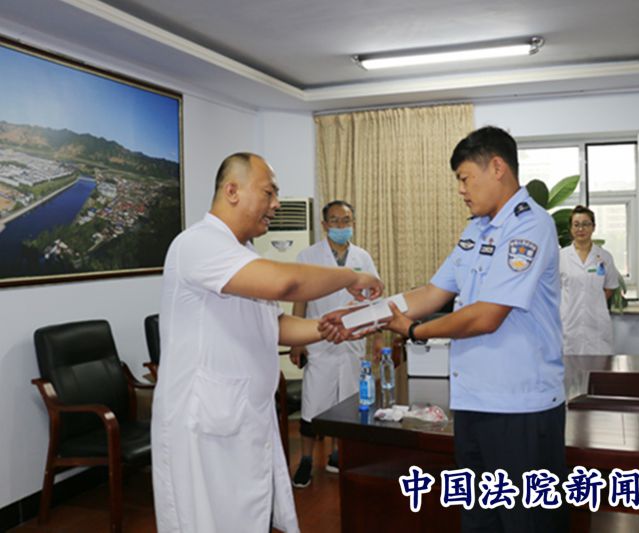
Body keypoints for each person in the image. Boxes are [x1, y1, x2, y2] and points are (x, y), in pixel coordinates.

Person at [341, 126, 567, 532]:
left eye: (465, 178)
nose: (461, 190)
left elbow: (487, 316)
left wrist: (415, 332)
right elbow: (432, 292)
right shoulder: (476, 228)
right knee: (479, 522)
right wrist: (363, 317)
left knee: (526, 523)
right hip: (474, 402)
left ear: (497, 167)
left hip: (519, 407)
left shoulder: (530, 225)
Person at [151, 152, 383, 533]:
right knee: (207, 523)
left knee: (247, 520)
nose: (276, 204)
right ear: (232, 191)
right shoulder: (197, 244)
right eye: (269, 192)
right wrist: (350, 276)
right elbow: (285, 284)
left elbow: (274, 325)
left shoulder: (243, 253)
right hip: (203, 425)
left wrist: (333, 326)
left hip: (244, 416)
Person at [289, 200, 379, 488]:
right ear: (324, 224)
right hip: (319, 340)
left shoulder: (362, 257)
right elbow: (300, 299)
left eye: (346, 220)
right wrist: (297, 341)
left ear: (353, 223)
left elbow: (374, 300)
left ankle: (337, 455)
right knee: (312, 407)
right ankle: (306, 461)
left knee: (347, 405)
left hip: (352, 342)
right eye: (335, 221)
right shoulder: (308, 256)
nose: (342, 226)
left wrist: (377, 339)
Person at [560, 205, 620, 355]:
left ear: (593, 227)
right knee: (569, 367)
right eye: (576, 225)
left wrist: (593, 301)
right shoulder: (560, 257)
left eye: (586, 224)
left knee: (599, 367)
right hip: (569, 324)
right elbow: (554, 290)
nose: (581, 229)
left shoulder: (604, 257)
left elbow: (610, 288)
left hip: (597, 324)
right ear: (571, 228)